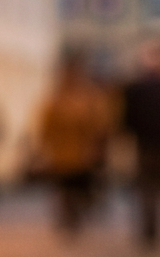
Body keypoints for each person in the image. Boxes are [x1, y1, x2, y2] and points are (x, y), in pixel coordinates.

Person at [38, 55, 111, 235]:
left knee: (77, 187)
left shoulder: (87, 97)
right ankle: (69, 216)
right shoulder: (58, 99)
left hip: (79, 153)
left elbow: (98, 124)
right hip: (63, 153)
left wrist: (95, 146)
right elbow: (46, 125)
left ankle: (74, 214)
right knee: (65, 187)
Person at [122, 41, 160, 249]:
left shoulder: (137, 88)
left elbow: (127, 119)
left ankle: (149, 226)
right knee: (158, 186)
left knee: (148, 186)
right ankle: (154, 226)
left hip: (146, 144)